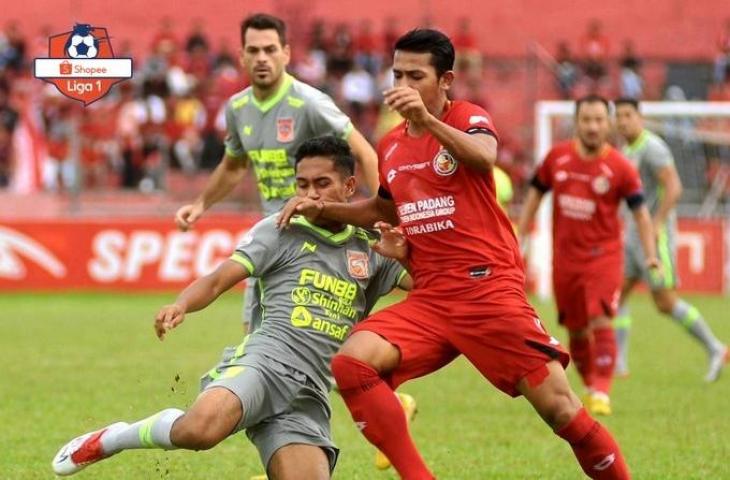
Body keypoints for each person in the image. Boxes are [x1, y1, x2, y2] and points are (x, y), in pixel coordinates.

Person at [279, 29, 630, 480]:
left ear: (445, 80)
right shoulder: (390, 144)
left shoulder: (467, 117)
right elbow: (386, 208)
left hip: (488, 291)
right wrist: (324, 209)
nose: (403, 85)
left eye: (416, 75)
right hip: (431, 296)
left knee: (563, 412)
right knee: (352, 363)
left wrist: (428, 121)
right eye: (397, 74)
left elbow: (484, 158)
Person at [51, 136, 412, 479]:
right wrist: (181, 304)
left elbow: (433, 286)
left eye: (321, 183)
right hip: (265, 363)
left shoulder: (370, 244)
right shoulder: (281, 229)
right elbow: (219, 278)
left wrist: (406, 255)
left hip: (311, 391)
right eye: (302, 185)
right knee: (199, 431)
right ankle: (112, 438)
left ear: (349, 187)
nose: (310, 195)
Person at [173, 13, 379, 334]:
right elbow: (234, 165)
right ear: (240, 56)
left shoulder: (309, 103)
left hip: (316, 237)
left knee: (318, 345)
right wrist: (200, 205)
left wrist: (380, 210)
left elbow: (364, 152)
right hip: (271, 234)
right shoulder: (238, 108)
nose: (262, 58)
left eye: (270, 50)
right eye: (253, 51)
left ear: (286, 53)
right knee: (255, 334)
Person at [517, 94, 658, 417]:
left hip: (603, 256)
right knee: (577, 330)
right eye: (587, 120)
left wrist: (651, 254)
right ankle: (591, 383)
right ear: (577, 123)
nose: (593, 127)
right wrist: (520, 237)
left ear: (608, 124)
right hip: (565, 259)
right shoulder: (557, 158)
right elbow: (534, 197)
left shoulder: (620, 167)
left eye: (599, 120)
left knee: (601, 318)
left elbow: (641, 214)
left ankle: (602, 390)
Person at [613, 98, 728, 381]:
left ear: (640, 117)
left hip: (655, 237)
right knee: (619, 293)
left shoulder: (653, 148)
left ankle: (715, 348)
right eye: (619, 116)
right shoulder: (627, 149)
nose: (623, 121)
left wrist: (657, 222)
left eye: (628, 115)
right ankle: (619, 364)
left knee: (664, 302)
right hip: (633, 234)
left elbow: (674, 187)